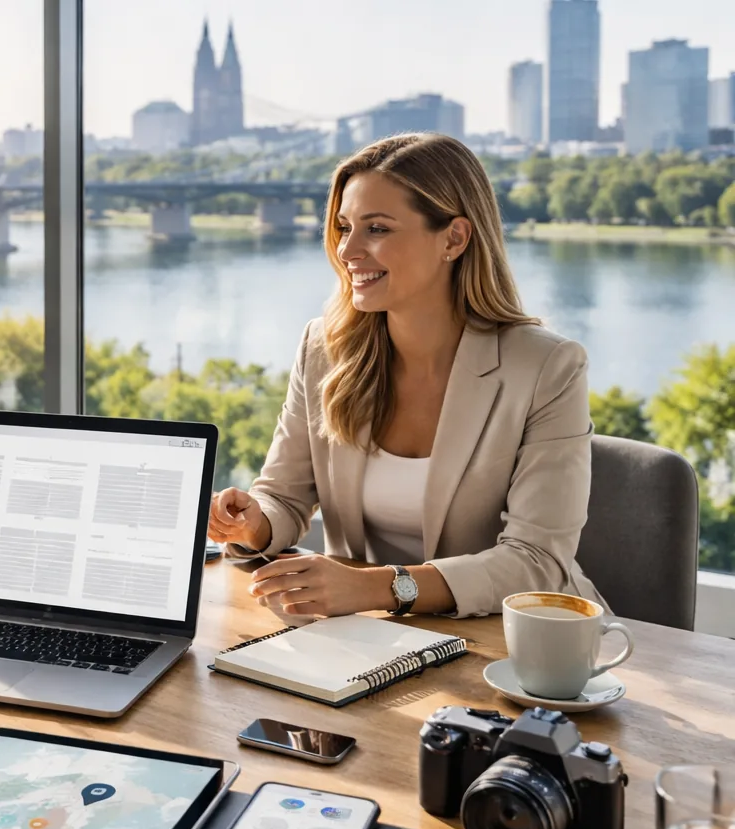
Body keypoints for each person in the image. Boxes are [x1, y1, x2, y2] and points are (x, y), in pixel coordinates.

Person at [208, 133, 603, 619]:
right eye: (344, 227)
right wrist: (254, 524)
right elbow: (283, 496)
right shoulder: (323, 348)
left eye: (376, 228)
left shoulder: (547, 367)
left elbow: (537, 562)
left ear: (454, 239)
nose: (347, 250)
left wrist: (379, 588)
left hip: (516, 635)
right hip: (365, 634)